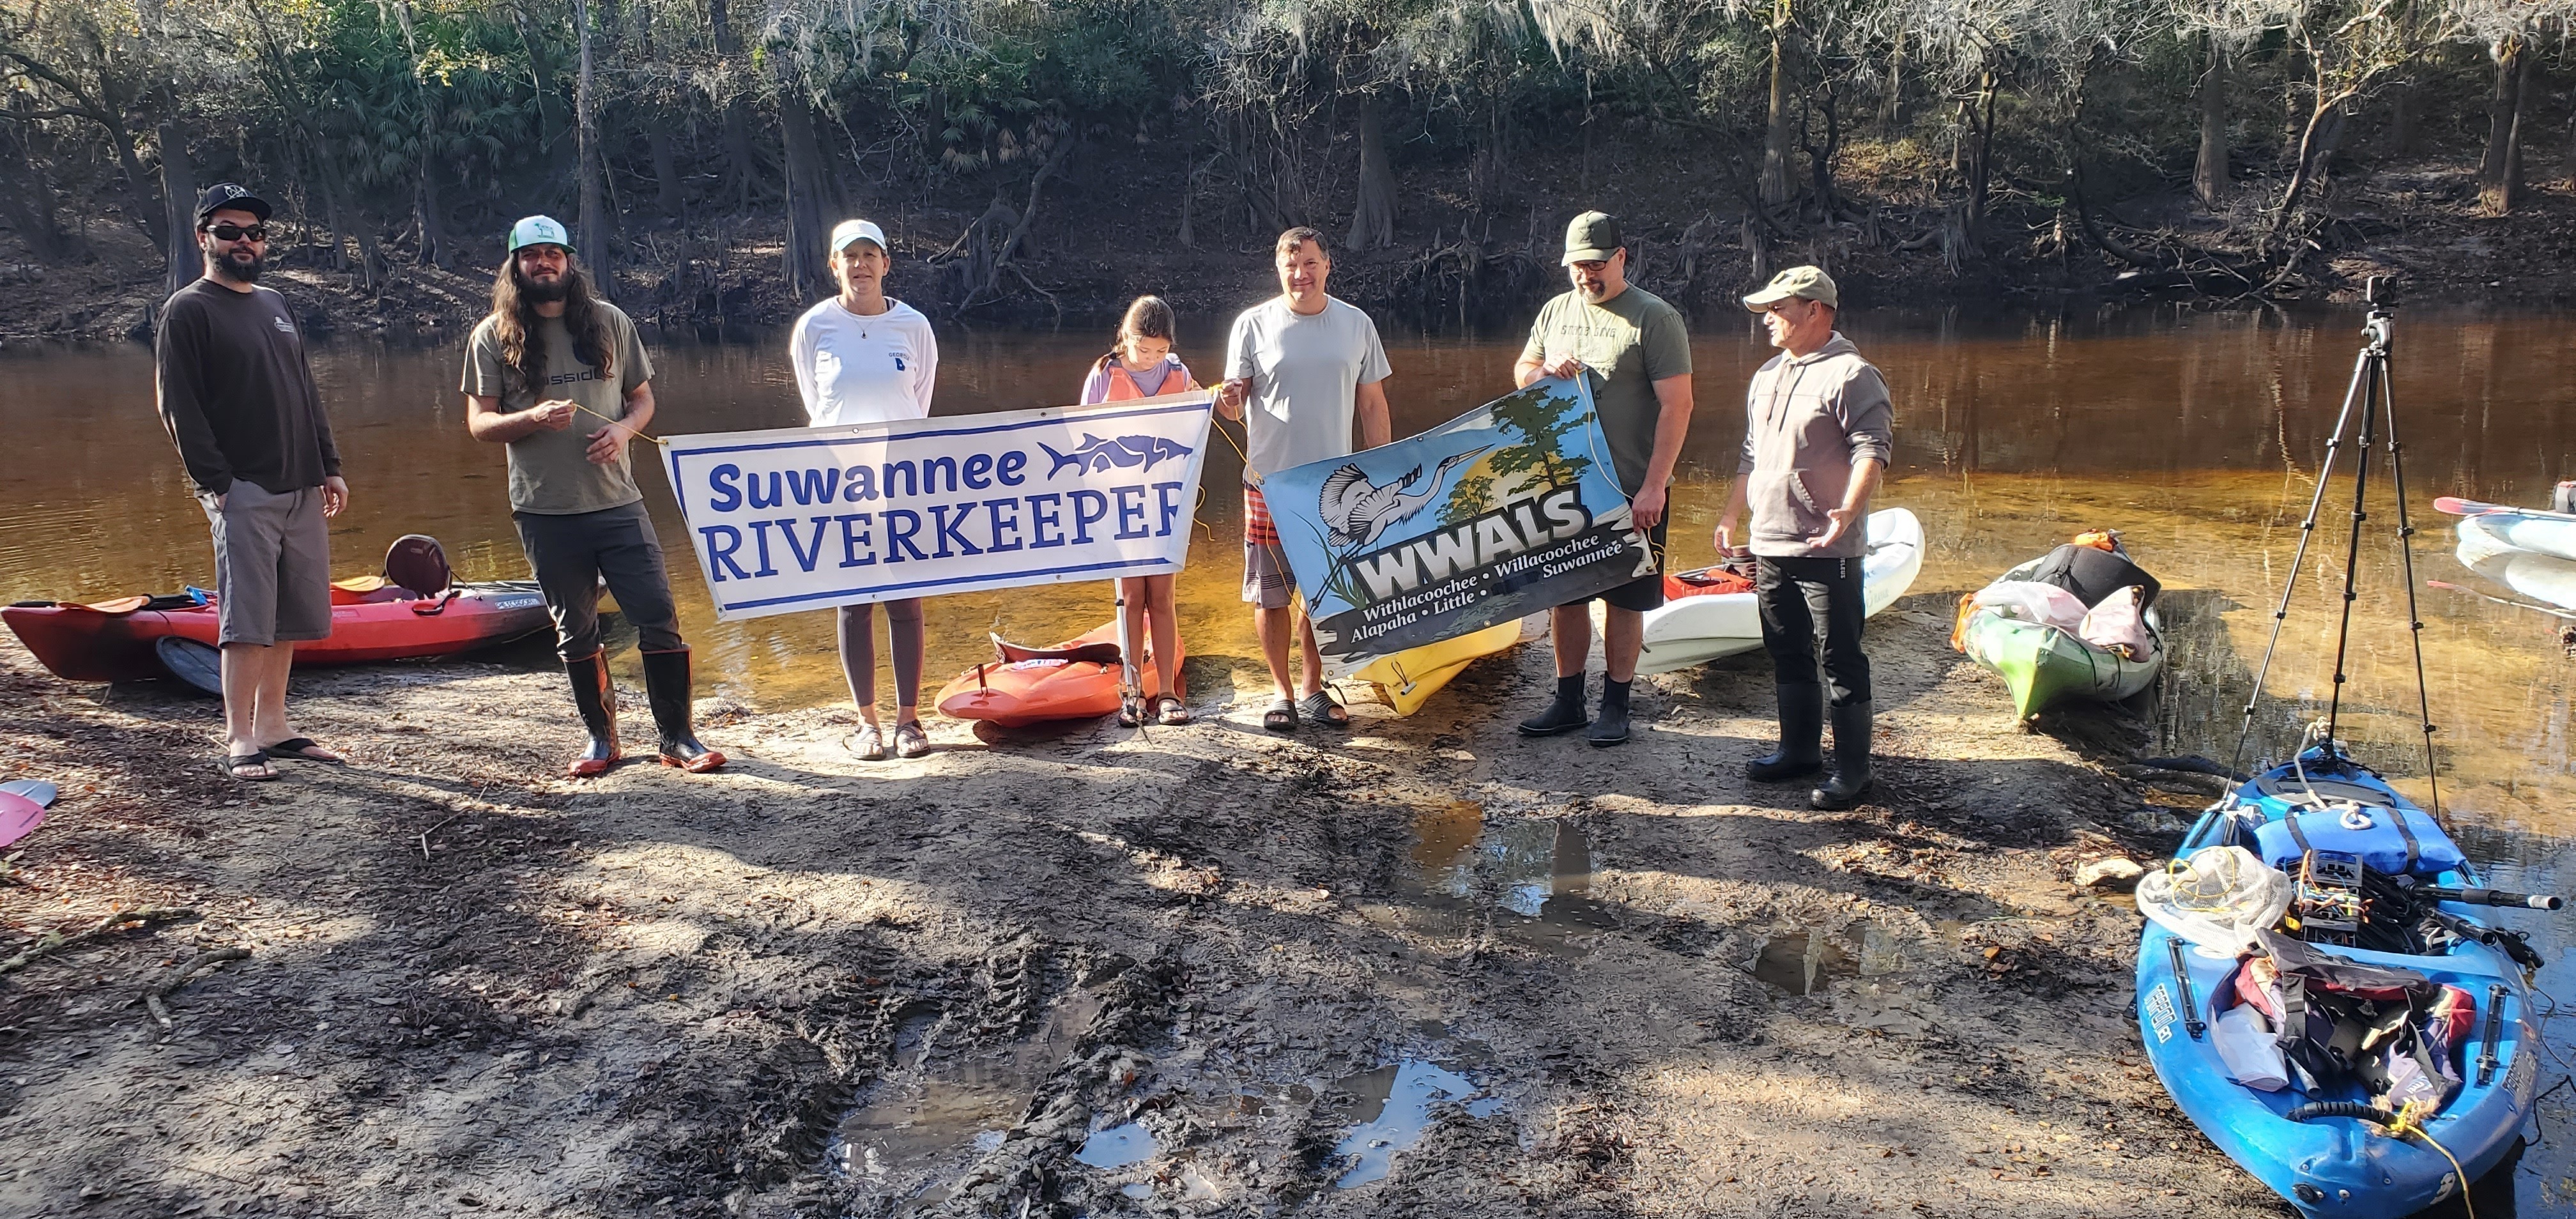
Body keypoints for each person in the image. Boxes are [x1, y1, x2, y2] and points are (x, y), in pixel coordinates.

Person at [461, 215, 724, 777]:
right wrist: (530, 417)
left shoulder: (610, 322)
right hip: (543, 508)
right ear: (515, 267)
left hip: (618, 503)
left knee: (658, 615)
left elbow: (643, 400)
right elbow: (480, 425)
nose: (543, 264)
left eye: (553, 253)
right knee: (574, 628)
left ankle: (677, 738)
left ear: (569, 261)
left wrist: (625, 430)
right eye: (531, 256)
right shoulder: (492, 335)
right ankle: (601, 741)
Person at [155, 183, 353, 781]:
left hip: (301, 486)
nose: (245, 241)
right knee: (246, 618)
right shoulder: (188, 309)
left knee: (289, 614)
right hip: (243, 489)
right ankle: (239, 736)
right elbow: (177, 406)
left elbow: (304, 391)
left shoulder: (274, 302)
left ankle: (275, 726)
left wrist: (329, 466)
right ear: (203, 239)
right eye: (230, 231)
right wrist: (218, 484)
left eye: (255, 233)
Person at [1510, 211, 1695, 747]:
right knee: (1565, 597)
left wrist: (1655, 485)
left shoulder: (1654, 319)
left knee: (1626, 598)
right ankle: (1568, 700)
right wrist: (1543, 372)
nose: (1586, 276)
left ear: (1621, 258)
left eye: (1596, 265)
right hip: (1564, 486)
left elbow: (1678, 406)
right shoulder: (1556, 311)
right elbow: (1522, 371)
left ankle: (1616, 705)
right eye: (1577, 267)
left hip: (1632, 486)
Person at [1715, 266, 1894, 810]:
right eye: (1766, 310)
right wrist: (1730, 515)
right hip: (1771, 542)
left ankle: (1854, 772)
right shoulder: (1767, 373)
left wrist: (1848, 510)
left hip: (1826, 545)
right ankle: (1799, 752)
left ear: (1815, 310)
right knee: (1786, 649)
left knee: (1841, 654)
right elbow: (1752, 454)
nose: (1768, 319)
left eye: (1779, 309)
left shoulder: (1853, 375)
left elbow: (1872, 450)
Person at [1217, 227, 1393, 732]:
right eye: (1292, 266)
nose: (1301, 275)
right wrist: (1228, 400)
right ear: (1279, 270)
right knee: (1270, 594)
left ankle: (1314, 687)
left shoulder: (1356, 324)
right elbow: (1235, 407)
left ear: (1327, 265)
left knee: (1324, 593)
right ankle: (1281, 692)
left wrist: (1382, 471)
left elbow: (1373, 404)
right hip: (1269, 483)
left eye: (1310, 264)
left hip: (1334, 485)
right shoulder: (1252, 325)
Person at [788, 218, 940, 760]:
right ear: (834, 265)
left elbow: (918, 402)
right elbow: (815, 405)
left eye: (869, 255)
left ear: (885, 264)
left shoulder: (914, 326)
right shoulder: (813, 328)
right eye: (848, 256)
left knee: (905, 598)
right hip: (838, 482)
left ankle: (909, 720)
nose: (860, 265)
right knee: (854, 604)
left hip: (900, 479)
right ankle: (867, 723)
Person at [1079, 295, 1198, 727]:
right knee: (1131, 597)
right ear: (1126, 340)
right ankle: (1131, 692)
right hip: (1119, 504)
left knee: (1162, 596)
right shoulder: (1103, 376)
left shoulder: (1180, 374)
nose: (1151, 359)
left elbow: (1202, 418)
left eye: (1161, 351)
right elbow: (1081, 437)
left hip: (1165, 503)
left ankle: (1166, 691)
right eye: (1143, 349)